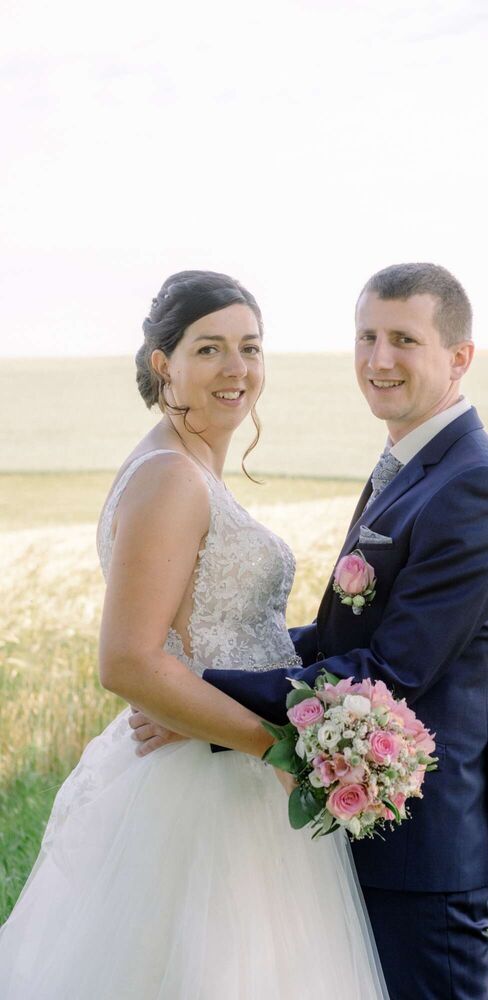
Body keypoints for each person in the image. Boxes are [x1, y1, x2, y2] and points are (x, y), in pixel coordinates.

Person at [132, 262, 488, 999]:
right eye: (366, 337)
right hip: (359, 827)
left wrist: (200, 697)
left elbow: (390, 672)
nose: (378, 359)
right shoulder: (413, 466)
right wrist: (183, 682)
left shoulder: (475, 487)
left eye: (404, 340)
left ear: (459, 357)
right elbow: (337, 635)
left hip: (423, 849)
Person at [0, 271, 387, 1000]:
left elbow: (229, 635)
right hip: (201, 782)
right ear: (163, 364)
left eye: (250, 347)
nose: (236, 368)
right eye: (209, 349)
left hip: (228, 764)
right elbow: (127, 661)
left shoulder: (191, 466)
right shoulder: (171, 477)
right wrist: (276, 746)